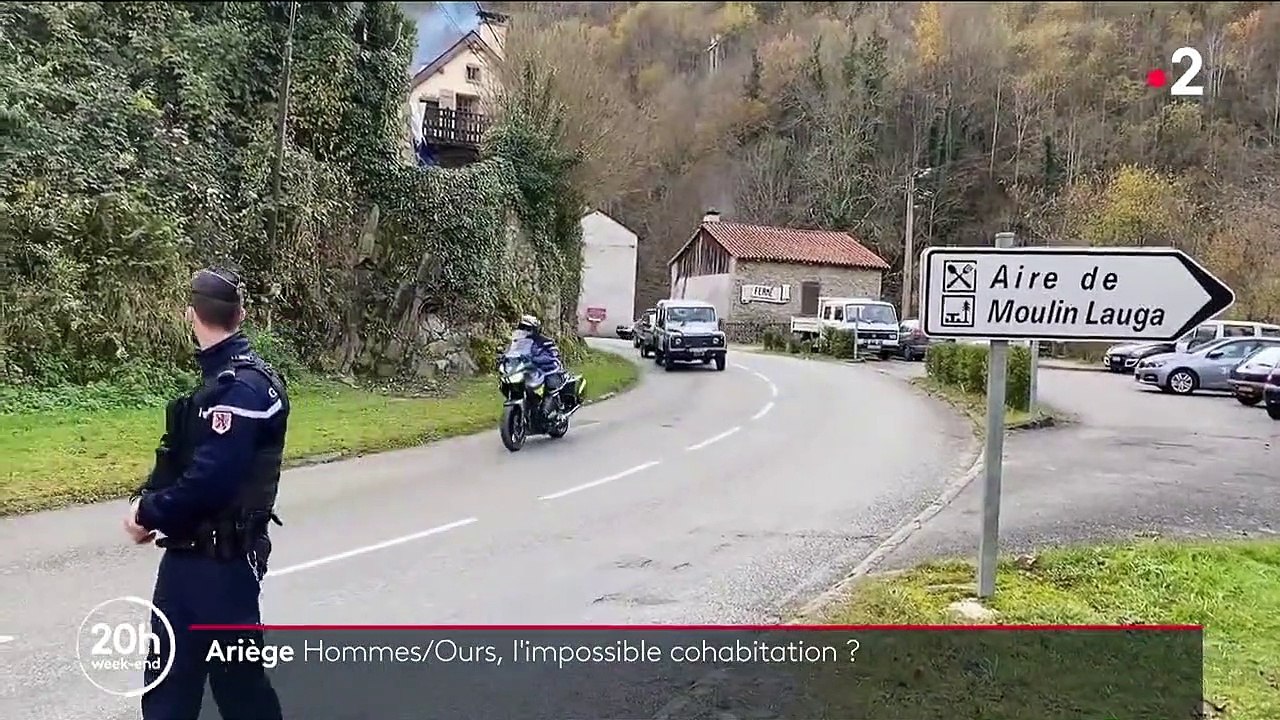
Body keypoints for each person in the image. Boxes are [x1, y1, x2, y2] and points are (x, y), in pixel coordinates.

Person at [124, 266, 288, 720]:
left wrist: (147, 513)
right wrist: (150, 500)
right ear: (242, 314)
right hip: (182, 564)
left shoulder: (245, 390)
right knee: (165, 691)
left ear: (191, 315)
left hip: (225, 568)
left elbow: (210, 481)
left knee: (240, 693)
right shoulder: (212, 391)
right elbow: (182, 462)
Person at [512, 315, 576, 416]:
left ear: (534, 329)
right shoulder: (518, 343)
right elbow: (511, 353)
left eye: (527, 328)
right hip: (530, 372)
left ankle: (546, 413)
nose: (524, 331)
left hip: (549, 371)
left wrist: (534, 359)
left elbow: (552, 356)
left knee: (550, 387)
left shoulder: (546, 342)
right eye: (522, 327)